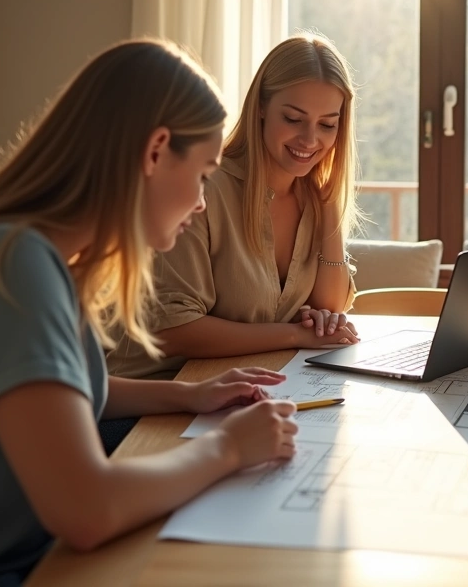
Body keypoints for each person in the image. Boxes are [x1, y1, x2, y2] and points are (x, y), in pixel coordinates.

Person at [0, 40, 300, 586]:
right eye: (205, 175)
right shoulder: (10, 266)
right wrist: (229, 448)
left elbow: (57, 391)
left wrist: (188, 395)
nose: (203, 201)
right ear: (156, 151)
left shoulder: (36, 253)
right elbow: (87, 511)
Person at [108, 34, 362, 380]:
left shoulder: (313, 198)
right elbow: (173, 329)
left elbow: (329, 308)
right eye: (292, 119)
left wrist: (330, 202)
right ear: (260, 106)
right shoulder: (203, 188)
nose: (309, 139)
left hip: (240, 384)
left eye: (327, 125)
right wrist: (293, 334)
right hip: (150, 393)